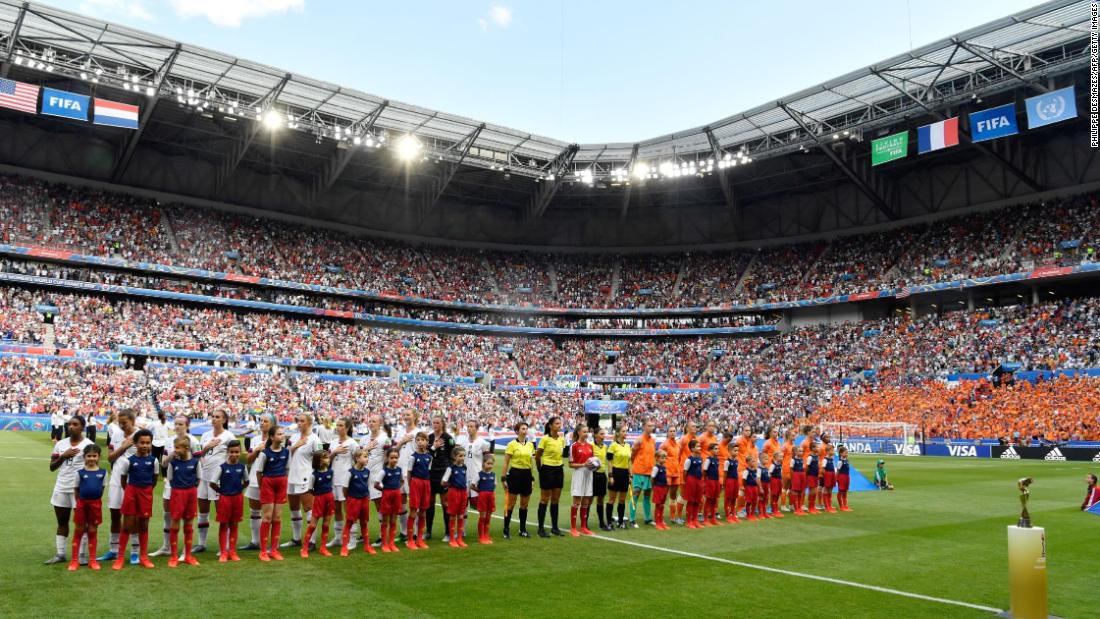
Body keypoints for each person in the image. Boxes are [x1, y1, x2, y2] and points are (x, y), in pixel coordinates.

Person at [46, 415, 93, 566]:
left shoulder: (89, 445)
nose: (71, 426)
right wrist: (63, 456)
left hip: (80, 490)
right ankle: (61, 554)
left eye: (75, 424)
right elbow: (52, 467)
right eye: (69, 424)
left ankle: (81, 555)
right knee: (62, 522)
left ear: (82, 427)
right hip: (61, 487)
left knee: (82, 523)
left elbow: (93, 468)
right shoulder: (60, 444)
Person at [112, 429, 158, 570]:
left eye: (147, 443)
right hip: (131, 493)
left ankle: (143, 557)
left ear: (151, 444)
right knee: (127, 526)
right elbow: (123, 480)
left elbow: (154, 479)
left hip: (146, 494)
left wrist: (147, 491)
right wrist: (131, 492)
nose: (145, 445)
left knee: (143, 526)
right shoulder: (128, 461)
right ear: (136, 444)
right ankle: (120, 558)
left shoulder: (154, 461)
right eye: (142, 443)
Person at [151, 416, 195, 558]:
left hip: (186, 485)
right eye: (176, 424)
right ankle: (166, 546)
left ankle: (184, 551)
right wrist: (172, 455)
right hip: (171, 483)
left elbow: (198, 461)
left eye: (180, 424)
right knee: (168, 515)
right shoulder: (169, 441)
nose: (177, 426)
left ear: (187, 425)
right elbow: (163, 463)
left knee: (185, 517)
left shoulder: (193, 441)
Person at [280, 413, 323, 550]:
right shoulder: (293, 438)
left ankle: (312, 541)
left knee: (309, 509)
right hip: (292, 476)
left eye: (302, 421)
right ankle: (296, 538)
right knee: (294, 508)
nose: (299, 423)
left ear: (310, 423)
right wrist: (294, 446)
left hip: (306, 477)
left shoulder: (315, 439)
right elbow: (286, 456)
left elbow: (321, 458)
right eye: (298, 421)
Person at [194, 409, 234, 554]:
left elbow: (233, 456)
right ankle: (201, 543)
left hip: (218, 479)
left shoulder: (229, 436)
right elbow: (197, 455)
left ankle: (225, 545)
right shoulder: (205, 435)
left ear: (224, 420)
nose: (214, 419)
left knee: (221, 512)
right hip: (204, 476)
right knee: (203, 511)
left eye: (217, 417)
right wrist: (207, 447)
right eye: (213, 416)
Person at [100, 408, 138, 563]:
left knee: (133, 517)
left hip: (134, 480)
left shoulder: (140, 435)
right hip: (116, 478)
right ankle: (113, 550)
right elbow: (109, 458)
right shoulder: (116, 434)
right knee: (115, 515)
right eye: (120, 423)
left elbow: (148, 460)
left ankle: (135, 551)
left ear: (132, 421)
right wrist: (123, 447)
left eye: (125, 423)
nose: (122, 426)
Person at [163, 435, 201, 568]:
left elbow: (198, 478)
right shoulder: (173, 463)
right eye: (174, 447)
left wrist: (190, 489)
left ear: (186, 448)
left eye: (177, 448)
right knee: (175, 524)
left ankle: (188, 556)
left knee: (189, 524)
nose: (175, 450)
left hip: (191, 493)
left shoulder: (195, 462)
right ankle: (174, 556)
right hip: (177, 493)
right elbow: (170, 479)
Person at [239, 413, 275, 551]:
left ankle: (268, 542)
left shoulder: (277, 439)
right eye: (261, 420)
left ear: (271, 424)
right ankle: (255, 541)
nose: (262, 423)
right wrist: (257, 450)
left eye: (265, 421)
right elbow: (248, 459)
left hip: (269, 479)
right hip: (254, 478)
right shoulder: (254, 440)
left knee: (269, 513)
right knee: (254, 511)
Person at [254, 424, 289, 561]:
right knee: (267, 517)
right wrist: (261, 487)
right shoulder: (264, 454)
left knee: (277, 517)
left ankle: (274, 550)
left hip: (281, 483)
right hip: (268, 482)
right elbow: (259, 472)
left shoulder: (286, 452)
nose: (282, 436)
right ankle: (263, 551)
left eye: (283, 433)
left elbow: (287, 469)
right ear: (272, 437)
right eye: (279, 434)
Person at [69, 443, 106, 571]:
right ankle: (74, 561)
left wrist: (95, 500)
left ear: (98, 457)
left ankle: (92, 560)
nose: (91, 458)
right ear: (84, 457)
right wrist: (79, 503)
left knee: (92, 531)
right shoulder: (79, 473)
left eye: (94, 456)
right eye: (89, 456)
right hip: (82, 504)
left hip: (95, 505)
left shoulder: (103, 472)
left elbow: (102, 489)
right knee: (78, 531)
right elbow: (76, 489)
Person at [210, 440, 246, 562]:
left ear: (240, 453)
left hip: (237, 498)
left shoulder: (242, 467)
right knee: (224, 524)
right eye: (232, 452)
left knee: (234, 524)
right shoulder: (222, 467)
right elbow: (212, 483)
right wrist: (222, 492)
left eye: (237, 452)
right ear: (228, 452)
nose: (234, 454)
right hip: (225, 499)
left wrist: (239, 489)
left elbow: (246, 481)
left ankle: (233, 552)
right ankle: (223, 553)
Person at [457, 420, 491, 540]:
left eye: (471, 426)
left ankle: (483, 532)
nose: (469, 428)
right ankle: (462, 531)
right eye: (468, 426)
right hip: (463, 477)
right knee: (463, 505)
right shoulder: (463, 442)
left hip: (477, 478)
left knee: (481, 506)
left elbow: (488, 460)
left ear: (476, 428)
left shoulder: (483, 443)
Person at [327, 417, 358, 550]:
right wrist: (334, 452)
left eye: (340, 425)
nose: (338, 427)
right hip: (334, 479)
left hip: (346, 480)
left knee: (348, 509)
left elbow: (357, 461)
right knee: (337, 509)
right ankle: (338, 538)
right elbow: (326, 461)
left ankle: (353, 538)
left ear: (346, 428)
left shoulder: (352, 443)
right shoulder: (333, 442)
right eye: (337, 425)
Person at [392, 410, 422, 542]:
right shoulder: (400, 432)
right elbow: (393, 451)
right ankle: (404, 532)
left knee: (415, 504)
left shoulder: (419, 433)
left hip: (412, 473)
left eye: (408, 414)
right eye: (404, 415)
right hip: (399, 472)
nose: (406, 417)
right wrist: (402, 441)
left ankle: (415, 533)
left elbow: (422, 452)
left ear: (415, 417)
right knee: (401, 504)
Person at [501, 422, 534, 539]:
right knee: (511, 504)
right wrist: (503, 478)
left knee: (524, 504)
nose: (525, 431)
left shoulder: (530, 445)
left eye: (526, 429)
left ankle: (522, 529)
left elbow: (531, 463)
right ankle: (506, 529)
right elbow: (505, 462)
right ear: (517, 431)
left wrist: (532, 478)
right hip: (515, 474)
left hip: (526, 475)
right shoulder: (511, 444)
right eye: (522, 429)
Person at [535, 416, 566, 538]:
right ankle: (541, 529)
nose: (559, 425)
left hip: (559, 469)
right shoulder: (545, 439)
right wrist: (540, 469)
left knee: (555, 499)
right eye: (557, 423)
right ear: (550, 425)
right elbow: (537, 456)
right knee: (544, 499)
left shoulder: (561, 440)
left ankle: (555, 527)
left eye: (560, 423)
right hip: (547, 469)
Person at [341, 449, 375, 557]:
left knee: (364, 523)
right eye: (364, 457)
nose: (367, 459)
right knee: (349, 522)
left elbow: (368, 485)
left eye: (367, 456)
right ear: (357, 459)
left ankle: (366, 546)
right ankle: (344, 547)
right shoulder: (350, 472)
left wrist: (367, 497)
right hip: (353, 500)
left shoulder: (367, 472)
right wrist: (349, 499)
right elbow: (345, 488)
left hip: (364, 500)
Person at [301, 451, 335, 558]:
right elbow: (310, 489)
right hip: (319, 499)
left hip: (329, 498)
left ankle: (323, 548)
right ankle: (305, 548)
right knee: (312, 525)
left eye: (328, 457)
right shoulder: (314, 475)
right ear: (319, 461)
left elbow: (332, 484)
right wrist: (318, 496)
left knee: (326, 524)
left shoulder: (331, 472)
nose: (328, 459)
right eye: (325, 458)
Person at [425, 415, 452, 541]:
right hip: (430, 474)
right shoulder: (429, 438)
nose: (435, 425)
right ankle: (428, 531)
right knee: (429, 503)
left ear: (442, 424)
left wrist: (449, 475)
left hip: (443, 474)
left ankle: (448, 533)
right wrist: (433, 447)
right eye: (433, 422)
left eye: (437, 423)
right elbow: (426, 455)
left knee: (445, 503)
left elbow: (453, 457)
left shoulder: (448, 438)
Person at [406, 432, 432, 549]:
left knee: (423, 512)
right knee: (413, 511)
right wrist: (411, 487)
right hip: (416, 483)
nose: (420, 442)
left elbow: (429, 471)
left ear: (427, 442)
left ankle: (420, 539)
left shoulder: (429, 457)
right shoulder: (413, 457)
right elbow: (409, 473)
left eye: (423, 440)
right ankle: (410, 540)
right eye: (418, 440)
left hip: (425, 483)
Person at [375, 448, 404, 553]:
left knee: (393, 520)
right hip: (387, 496)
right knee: (386, 521)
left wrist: (396, 489)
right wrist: (385, 490)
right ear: (387, 458)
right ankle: (384, 544)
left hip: (396, 496)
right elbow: (376, 484)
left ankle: (391, 543)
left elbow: (402, 481)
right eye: (392, 458)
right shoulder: (383, 471)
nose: (394, 460)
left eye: (396, 457)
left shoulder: (399, 470)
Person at [567, 424, 594, 537]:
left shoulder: (590, 446)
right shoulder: (574, 446)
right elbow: (570, 464)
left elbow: (593, 461)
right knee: (576, 501)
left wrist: (594, 465)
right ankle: (573, 528)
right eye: (584, 431)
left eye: (587, 431)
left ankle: (583, 527)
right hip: (579, 474)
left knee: (586, 501)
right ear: (578, 432)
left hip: (589, 474)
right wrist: (583, 464)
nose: (586, 433)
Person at [629, 420, 656, 528]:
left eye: (652, 425)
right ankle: (632, 519)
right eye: (649, 425)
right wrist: (635, 467)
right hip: (639, 472)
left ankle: (648, 518)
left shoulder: (653, 440)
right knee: (635, 495)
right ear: (644, 427)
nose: (651, 427)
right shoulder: (639, 440)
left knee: (647, 495)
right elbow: (632, 455)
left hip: (649, 472)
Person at [441, 446, 469, 549]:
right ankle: (452, 539)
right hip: (454, 492)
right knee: (453, 515)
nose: (462, 458)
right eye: (460, 456)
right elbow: (443, 482)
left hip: (463, 492)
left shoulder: (464, 467)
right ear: (454, 456)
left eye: (463, 456)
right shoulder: (450, 468)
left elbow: (465, 480)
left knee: (461, 515)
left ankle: (460, 539)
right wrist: (452, 486)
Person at [606, 426, 632, 529]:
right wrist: (611, 475)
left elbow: (629, 462)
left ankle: (620, 522)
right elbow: (609, 462)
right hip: (616, 472)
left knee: (622, 500)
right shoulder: (613, 446)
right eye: (623, 431)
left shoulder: (628, 446)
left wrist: (630, 475)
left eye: (626, 431)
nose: (625, 433)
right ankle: (608, 522)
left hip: (624, 473)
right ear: (618, 433)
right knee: (612, 499)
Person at [660, 427, 683, 525]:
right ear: (667, 433)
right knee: (664, 495)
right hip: (667, 472)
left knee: (673, 495)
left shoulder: (678, 444)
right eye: (670, 431)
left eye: (674, 431)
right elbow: (658, 457)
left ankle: (673, 517)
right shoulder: (664, 444)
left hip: (676, 472)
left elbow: (679, 457)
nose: (672, 433)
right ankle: (659, 517)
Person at [590, 427, 611, 531]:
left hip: (602, 475)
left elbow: (607, 461)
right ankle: (585, 523)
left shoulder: (605, 446)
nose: (603, 436)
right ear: (595, 435)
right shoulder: (591, 446)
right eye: (601, 434)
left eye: (604, 434)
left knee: (601, 500)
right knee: (589, 499)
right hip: (593, 475)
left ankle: (602, 523)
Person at [473, 453, 496, 545]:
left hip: (491, 496)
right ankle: (481, 536)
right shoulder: (479, 474)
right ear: (483, 464)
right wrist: (480, 491)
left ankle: (486, 534)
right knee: (482, 516)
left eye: (491, 464)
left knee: (488, 516)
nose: (490, 466)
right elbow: (472, 485)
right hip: (482, 496)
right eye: (488, 463)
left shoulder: (493, 475)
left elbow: (494, 485)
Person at [682, 440, 704, 529]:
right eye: (698, 446)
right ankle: (689, 521)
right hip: (691, 480)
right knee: (691, 501)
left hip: (698, 481)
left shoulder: (700, 458)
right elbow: (685, 472)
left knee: (697, 500)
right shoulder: (689, 459)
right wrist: (686, 481)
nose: (700, 448)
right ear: (692, 449)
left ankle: (695, 520)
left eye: (700, 446)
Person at [701, 442, 722, 526]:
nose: (717, 450)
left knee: (714, 500)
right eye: (715, 449)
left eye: (718, 449)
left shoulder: (717, 459)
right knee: (709, 500)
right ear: (710, 450)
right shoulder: (708, 460)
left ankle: (713, 518)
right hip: (710, 481)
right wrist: (706, 480)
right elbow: (704, 471)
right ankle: (705, 519)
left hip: (716, 481)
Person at [651, 450, 670, 531]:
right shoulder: (656, 468)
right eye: (662, 458)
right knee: (658, 505)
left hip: (664, 488)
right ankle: (657, 522)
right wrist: (654, 487)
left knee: (662, 505)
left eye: (665, 458)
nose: (664, 459)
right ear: (657, 458)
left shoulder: (664, 467)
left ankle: (661, 521)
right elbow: (652, 478)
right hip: (658, 488)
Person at [722, 442, 741, 524]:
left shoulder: (737, 461)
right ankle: (727, 515)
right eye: (735, 451)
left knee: (734, 498)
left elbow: (736, 471)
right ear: (729, 451)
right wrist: (724, 483)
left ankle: (733, 514)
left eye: (737, 451)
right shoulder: (727, 462)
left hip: (735, 480)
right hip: (729, 480)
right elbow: (725, 473)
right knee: (728, 498)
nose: (736, 452)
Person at [780, 428, 796, 512]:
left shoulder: (793, 445)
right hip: (786, 468)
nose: (794, 436)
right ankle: (782, 505)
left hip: (792, 468)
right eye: (793, 435)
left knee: (792, 488)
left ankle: (791, 505)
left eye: (794, 435)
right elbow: (781, 457)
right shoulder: (785, 446)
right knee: (785, 487)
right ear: (789, 436)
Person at [741, 454, 760, 521]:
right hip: (749, 487)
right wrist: (746, 487)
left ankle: (752, 514)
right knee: (749, 501)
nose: (755, 463)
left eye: (755, 461)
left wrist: (759, 487)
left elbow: (757, 479)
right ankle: (748, 514)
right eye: (753, 461)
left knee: (755, 501)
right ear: (748, 462)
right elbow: (743, 480)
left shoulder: (756, 471)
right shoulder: (746, 471)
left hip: (755, 487)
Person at [820, 444, 837, 513]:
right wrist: (826, 476)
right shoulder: (825, 459)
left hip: (832, 474)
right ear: (827, 451)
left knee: (830, 489)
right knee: (826, 489)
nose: (833, 452)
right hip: (828, 475)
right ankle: (826, 506)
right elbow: (823, 469)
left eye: (833, 450)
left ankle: (829, 505)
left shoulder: (832, 459)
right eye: (832, 450)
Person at [790, 445, 806, 516]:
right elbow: (791, 469)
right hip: (796, 475)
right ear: (796, 452)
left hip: (802, 475)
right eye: (800, 451)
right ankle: (796, 508)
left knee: (800, 491)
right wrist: (793, 477)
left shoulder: (802, 459)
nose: (801, 452)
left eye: (802, 451)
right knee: (795, 491)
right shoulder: (793, 460)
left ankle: (799, 508)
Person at [768, 451, 784, 518]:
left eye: (782, 457)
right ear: (775, 457)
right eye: (780, 457)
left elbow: (780, 473)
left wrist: (781, 481)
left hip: (779, 481)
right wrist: (770, 483)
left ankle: (775, 509)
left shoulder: (780, 464)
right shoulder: (772, 465)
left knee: (777, 495)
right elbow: (769, 474)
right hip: (774, 481)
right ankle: (773, 510)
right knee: (774, 495)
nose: (782, 458)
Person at [836, 446, 852, 512]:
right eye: (845, 453)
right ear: (841, 454)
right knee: (841, 491)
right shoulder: (840, 461)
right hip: (842, 477)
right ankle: (841, 506)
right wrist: (837, 478)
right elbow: (838, 470)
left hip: (846, 476)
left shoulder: (847, 460)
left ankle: (845, 505)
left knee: (845, 491)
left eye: (847, 453)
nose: (846, 454)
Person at [757, 453, 773, 520]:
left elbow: (769, 479)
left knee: (766, 498)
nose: (767, 460)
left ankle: (765, 512)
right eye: (765, 459)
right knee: (761, 499)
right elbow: (758, 479)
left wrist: (769, 487)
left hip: (767, 485)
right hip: (762, 485)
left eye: (767, 459)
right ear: (760, 459)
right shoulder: (759, 469)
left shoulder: (766, 468)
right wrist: (760, 487)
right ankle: (761, 513)